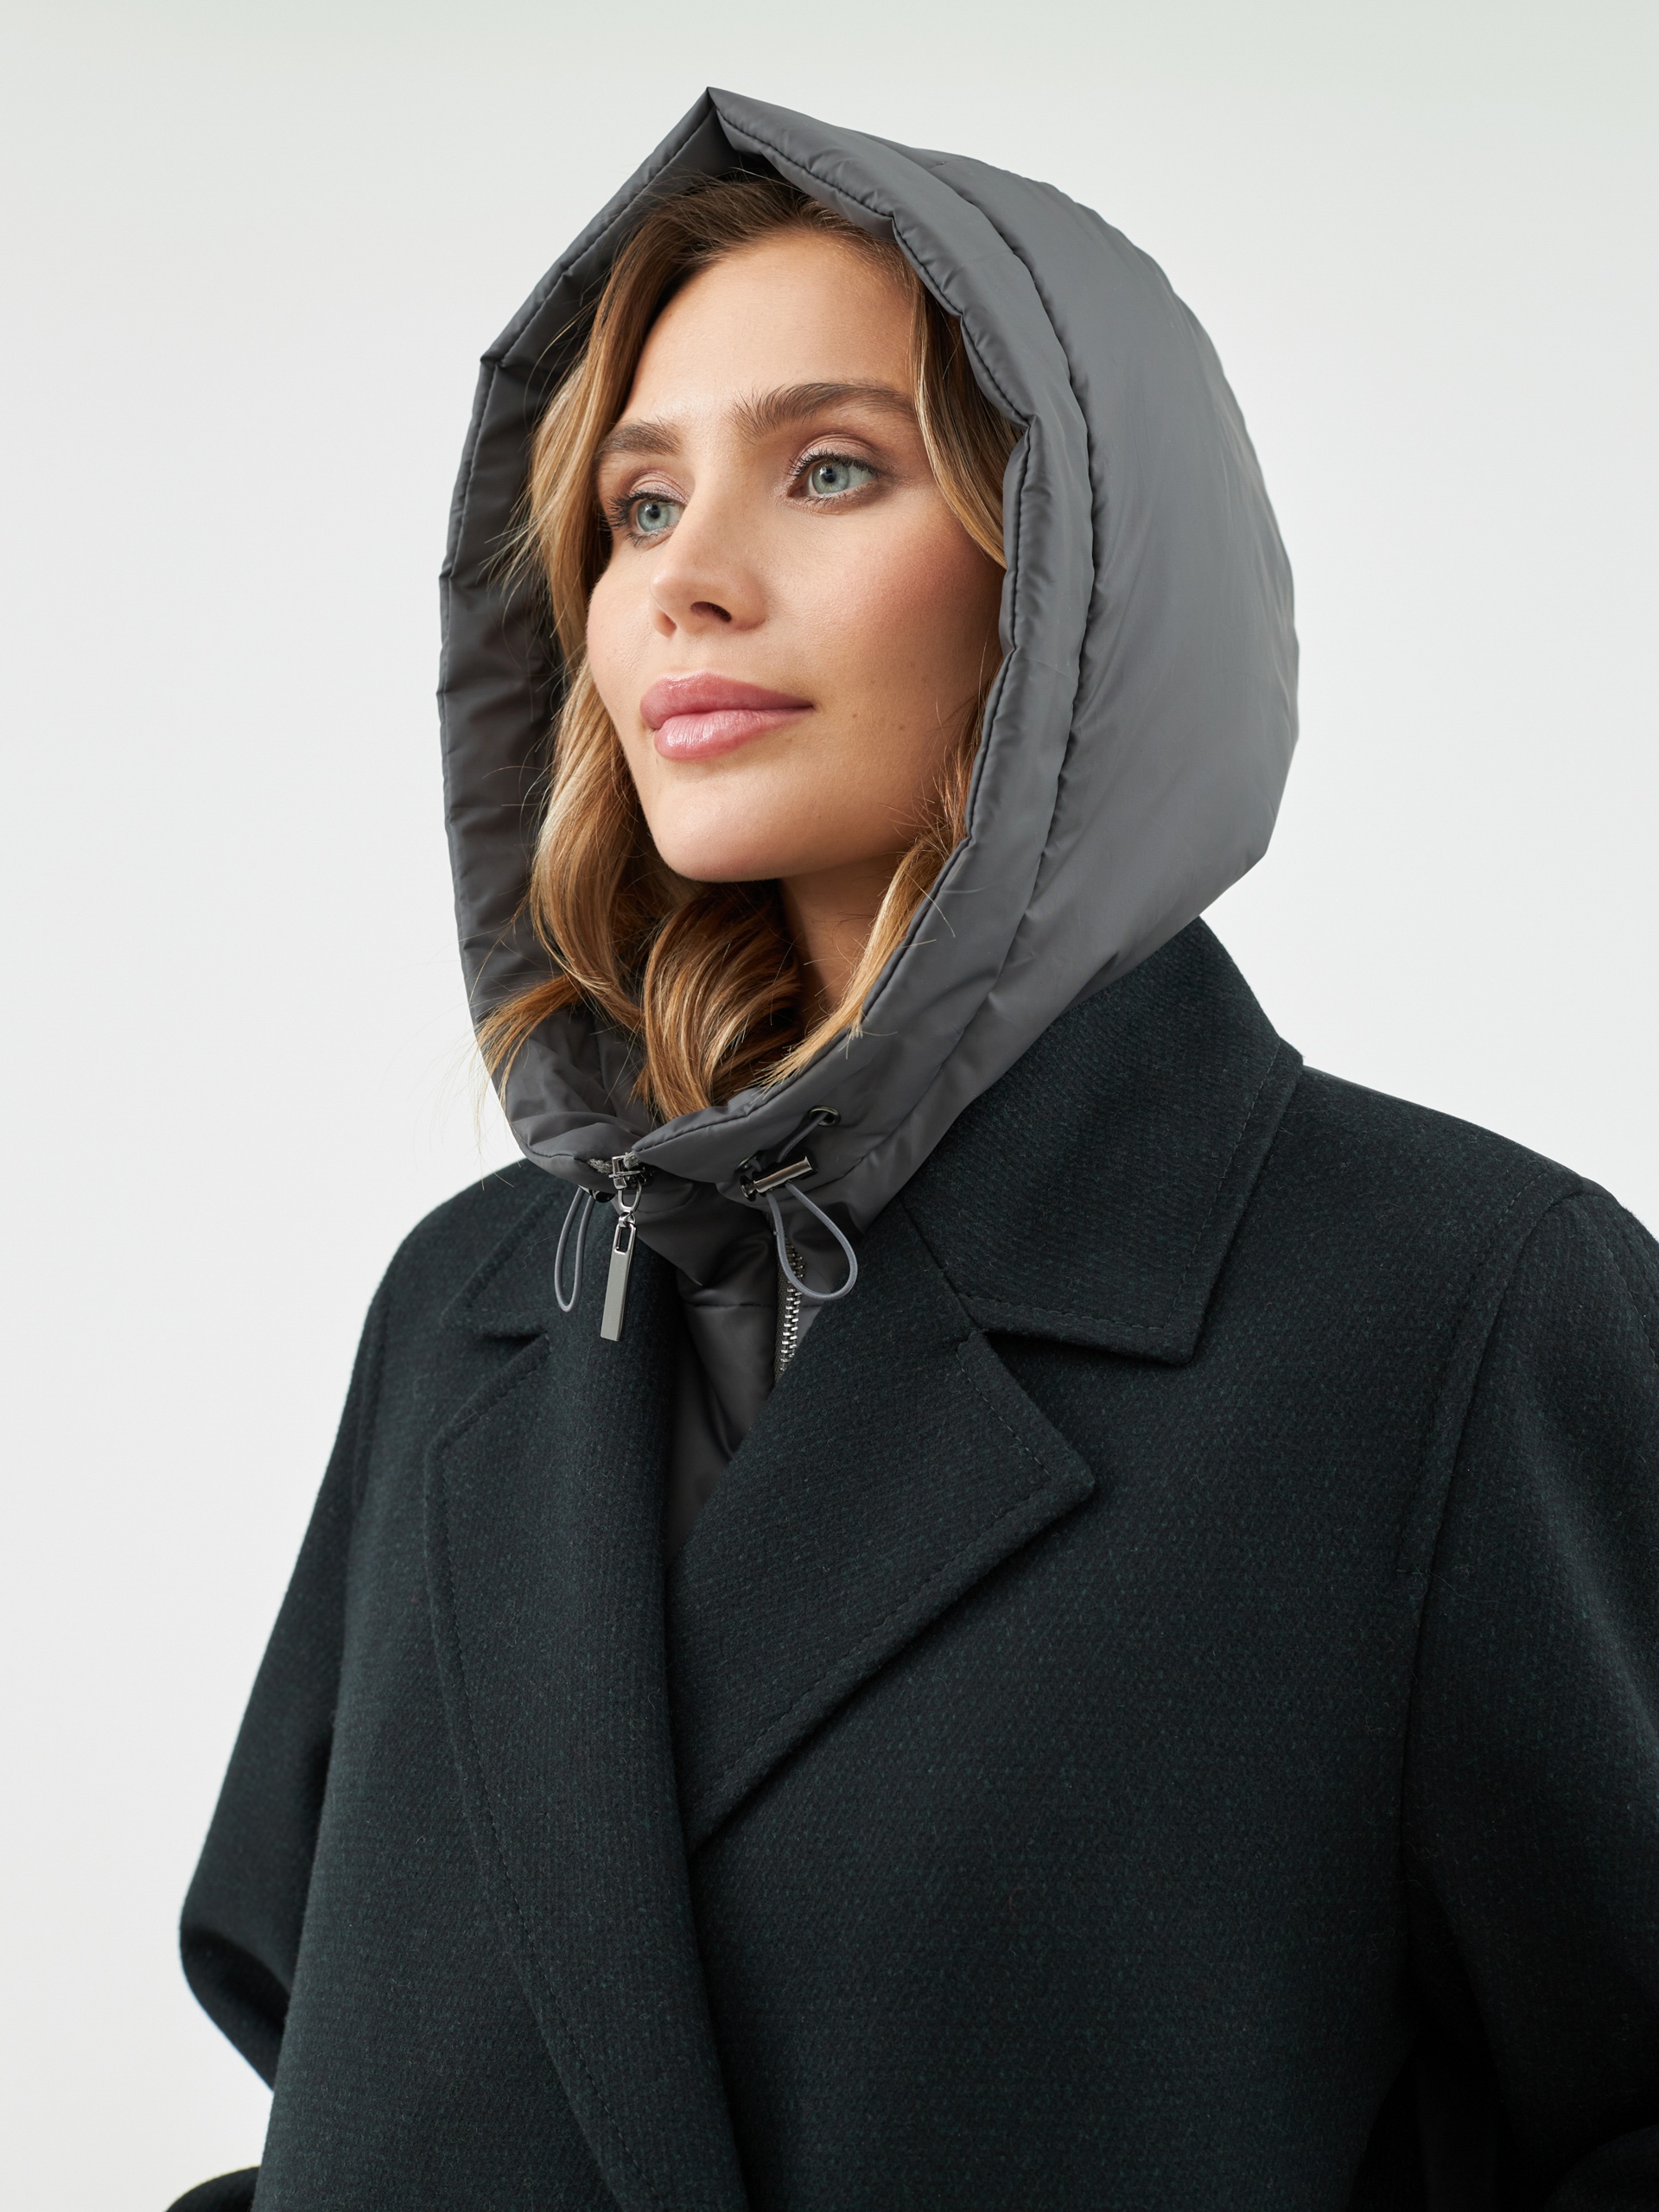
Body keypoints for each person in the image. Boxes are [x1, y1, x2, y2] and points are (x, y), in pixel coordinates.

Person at [168, 90, 1659, 2212]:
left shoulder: (1453, 1310)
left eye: (832, 468)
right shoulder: (475, 1303)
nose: (687, 583)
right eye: (638, 503)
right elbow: (339, 2051)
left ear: (1082, 575)